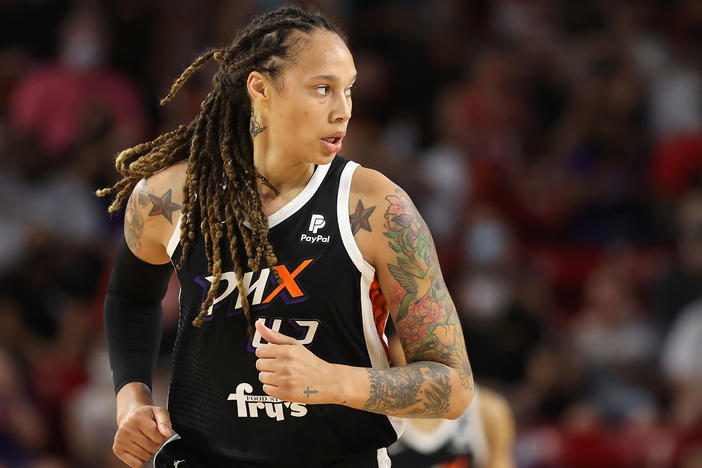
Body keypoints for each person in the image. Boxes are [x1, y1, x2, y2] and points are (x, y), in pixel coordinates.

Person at [97, 6, 474, 468]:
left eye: (348, 90)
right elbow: (129, 298)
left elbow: (454, 386)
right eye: (323, 89)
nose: (344, 110)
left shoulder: (377, 208)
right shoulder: (168, 199)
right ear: (260, 88)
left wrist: (333, 382)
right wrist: (131, 398)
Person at [386, 333, 515, 468]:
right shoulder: (375, 414)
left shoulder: (486, 411)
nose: (424, 345)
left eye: (434, 332)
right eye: (412, 333)